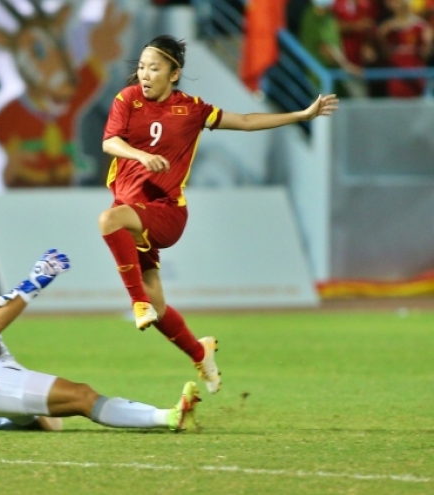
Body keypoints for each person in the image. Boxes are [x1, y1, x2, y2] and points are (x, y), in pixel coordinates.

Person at [99, 35, 339, 395]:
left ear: (174, 73)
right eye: (142, 66)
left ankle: (137, 304)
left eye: (154, 68)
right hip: (134, 212)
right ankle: (201, 353)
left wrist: (301, 115)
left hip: (166, 213)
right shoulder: (127, 99)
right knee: (159, 306)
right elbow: (109, 142)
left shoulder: (192, 109)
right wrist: (139, 155)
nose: (145, 74)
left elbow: (244, 120)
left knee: (108, 221)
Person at [0, 199, 202, 433]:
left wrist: (28, 282)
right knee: (82, 396)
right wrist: (36, 283)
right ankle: (170, 417)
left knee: (51, 424)